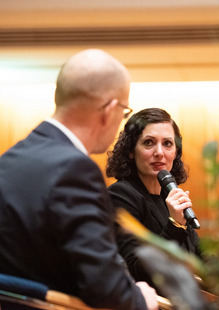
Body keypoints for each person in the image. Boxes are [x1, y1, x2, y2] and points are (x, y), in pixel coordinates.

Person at [0, 49, 158, 310]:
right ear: (110, 110)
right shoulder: (75, 169)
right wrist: (141, 299)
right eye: (125, 112)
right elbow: (105, 289)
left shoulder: (10, 159)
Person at [106, 107, 219, 297]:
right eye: (149, 143)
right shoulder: (120, 196)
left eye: (167, 144)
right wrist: (175, 225)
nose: (159, 152)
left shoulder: (170, 196)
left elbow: (202, 255)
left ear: (176, 152)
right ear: (131, 151)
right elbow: (137, 270)